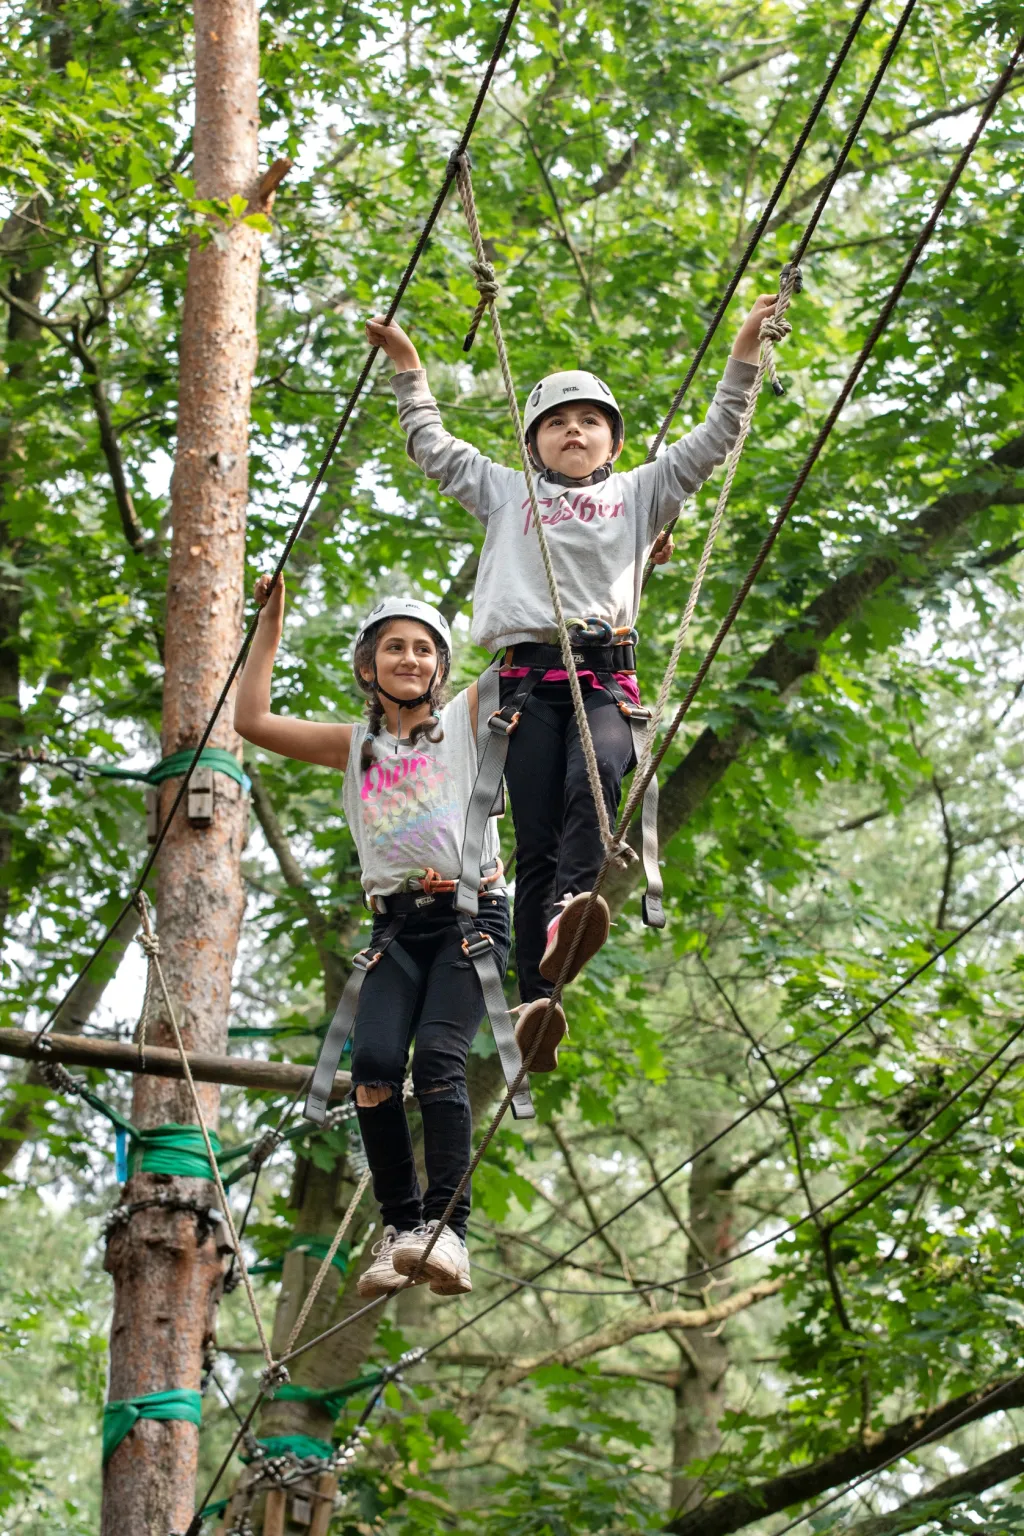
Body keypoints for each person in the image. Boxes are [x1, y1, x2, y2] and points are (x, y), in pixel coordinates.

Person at [365, 299, 774, 1027]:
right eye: (556, 423)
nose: (573, 432)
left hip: (603, 681)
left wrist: (744, 349)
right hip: (525, 686)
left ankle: (569, 912)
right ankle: (532, 1003)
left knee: (601, 776)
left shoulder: (642, 492)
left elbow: (718, 437)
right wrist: (407, 368)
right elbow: (433, 446)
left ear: (613, 441)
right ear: (534, 446)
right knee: (538, 841)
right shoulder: (504, 491)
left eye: (589, 421)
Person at [234, 581, 534, 1300]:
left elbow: (533, 643)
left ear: (441, 666)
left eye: (424, 648)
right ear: (368, 667)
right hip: (395, 927)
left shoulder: (467, 721)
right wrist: (270, 622)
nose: (409, 657)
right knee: (370, 1067)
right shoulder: (354, 747)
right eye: (394, 647)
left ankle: (447, 1231)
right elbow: (250, 719)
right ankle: (401, 1229)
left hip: (471, 918)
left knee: (436, 1056)